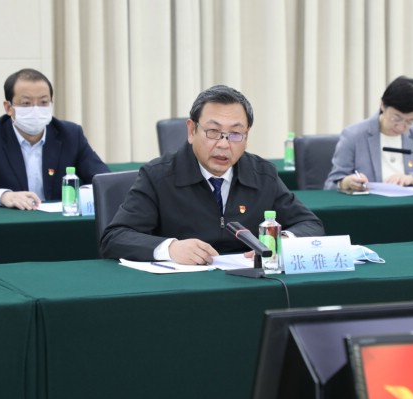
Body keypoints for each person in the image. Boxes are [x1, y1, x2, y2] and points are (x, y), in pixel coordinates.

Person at [100, 84, 325, 264]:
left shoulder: (262, 174)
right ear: (191, 130)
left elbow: (310, 224)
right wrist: (170, 248)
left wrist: (282, 241)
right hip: (182, 289)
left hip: (247, 284)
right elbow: (115, 237)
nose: (224, 144)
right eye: (213, 132)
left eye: (235, 134)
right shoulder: (158, 176)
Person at [0, 68, 110, 209]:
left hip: (59, 221)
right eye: (26, 103)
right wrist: (5, 196)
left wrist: (83, 195)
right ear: (8, 107)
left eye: (43, 102)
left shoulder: (70, 134)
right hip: (11, 222)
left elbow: (103, 179)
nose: (36, 110)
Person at [324, 75, 413, 192]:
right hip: (372, 205)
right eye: (396, 118)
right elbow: (330, 186)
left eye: (410, 121)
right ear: (383, 105)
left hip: (411, 204)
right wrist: (345, 183)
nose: (401, 127)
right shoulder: (354, 135)